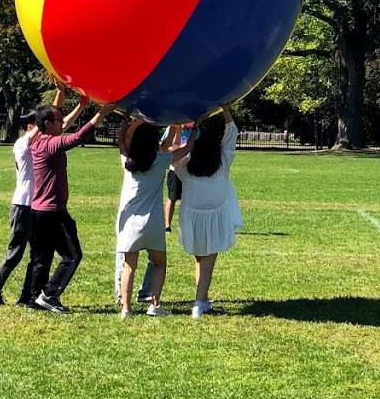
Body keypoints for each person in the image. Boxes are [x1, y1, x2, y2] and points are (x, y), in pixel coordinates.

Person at [0, 86, 83, 307]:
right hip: (23, 205)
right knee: (16, 253)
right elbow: (51, 120)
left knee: (38, 256)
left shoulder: (39, 142)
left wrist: (78, 104)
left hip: (37, 206)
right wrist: (59, 100)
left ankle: (28, 296)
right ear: (31, 127)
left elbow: (59, 122)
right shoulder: (23, 144)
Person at [28, 95, 114, 313]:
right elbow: (77, 137)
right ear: (48, 124)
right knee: (72, 255)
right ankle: (49, 295)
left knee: (42, 258)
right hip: (53, 212)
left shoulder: (37, 140)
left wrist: (80, 105)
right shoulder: (50, 144)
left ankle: (34, 299)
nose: (62, 123)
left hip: (37, 211)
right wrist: (101, 114)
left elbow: (64, 125)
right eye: (58, 120)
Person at [114, 121, 188, 319]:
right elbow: (186, 148)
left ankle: (126, 309)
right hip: (153, 223)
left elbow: (121, 141)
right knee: (160, 264)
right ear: (155, 141)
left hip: (130, 224)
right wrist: (192, 126)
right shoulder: (161, 160)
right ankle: (155, 305)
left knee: (129, 266)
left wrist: (128, 119)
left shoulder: (128, 161)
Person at [174, 106, 242, 317]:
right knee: (208, 262)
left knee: (199, 259)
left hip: (192, 215)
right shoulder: (223, 160)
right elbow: (233, 133)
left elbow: (174, 153)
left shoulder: (186, 165)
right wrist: (225, 108)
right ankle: (198, 303)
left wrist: (183, 128)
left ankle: (202, 299)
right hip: (214, 214)